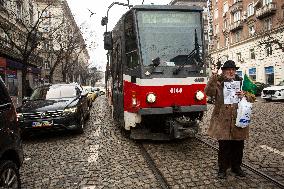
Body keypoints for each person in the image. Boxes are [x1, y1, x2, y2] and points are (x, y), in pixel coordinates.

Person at [205, 60, 255, 179]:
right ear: (224, 71)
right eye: (228, 69)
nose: (231, 71)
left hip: (238, 119)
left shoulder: (242, 82)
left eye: (233, 69)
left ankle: (236, 167)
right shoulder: (218, 82)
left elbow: (252, 98)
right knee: (224, 146)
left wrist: (244, 95)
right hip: (223, 120)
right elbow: (208, 92)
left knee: (238, 146)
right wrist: (213, 77)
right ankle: (222, 169)